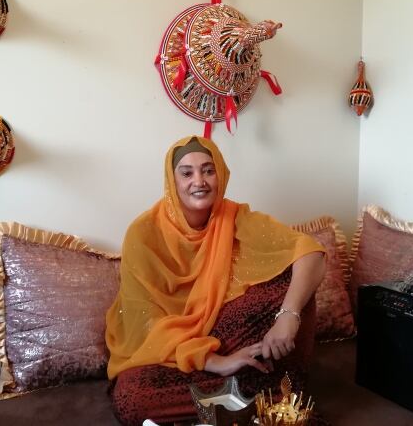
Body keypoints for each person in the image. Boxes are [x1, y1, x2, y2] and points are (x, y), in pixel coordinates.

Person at [106, 135, 326, 425]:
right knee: (131, 400)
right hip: (167, 351)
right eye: (187, 173)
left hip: (221, 335)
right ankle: (264, 394)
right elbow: (145, 323)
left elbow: (310, 252)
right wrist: (214, 361)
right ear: (172, 181)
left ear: (220, 173)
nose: (200, 181)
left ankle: (247, 394)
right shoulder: (143, 235)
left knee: (291, 280)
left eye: (208, 170)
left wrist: (289, 316)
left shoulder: (234, 217)